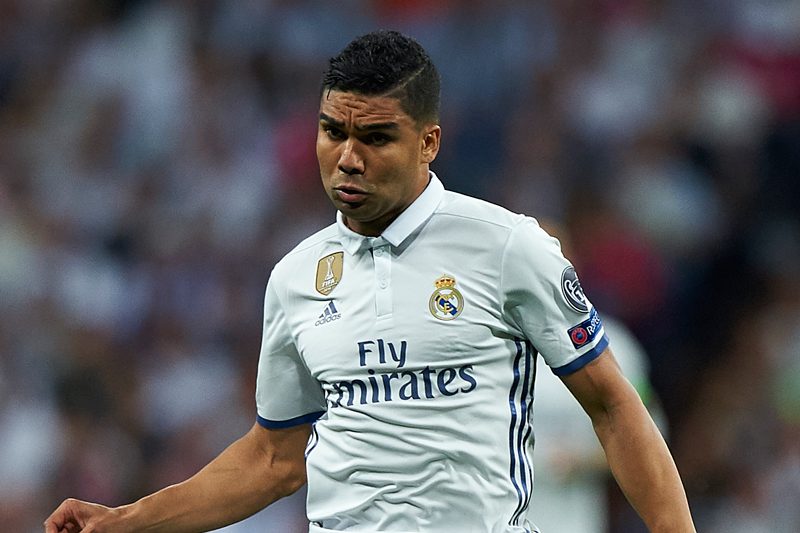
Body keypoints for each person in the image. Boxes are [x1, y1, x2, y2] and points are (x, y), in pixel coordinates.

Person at [44, 30, 695, 533]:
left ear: (428, 143)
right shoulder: (296, 277)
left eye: (377, 137)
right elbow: (273, 459)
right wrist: (126, 520)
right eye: (334, 131)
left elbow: (614, 406)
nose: (348, 158)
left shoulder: (507, 247)